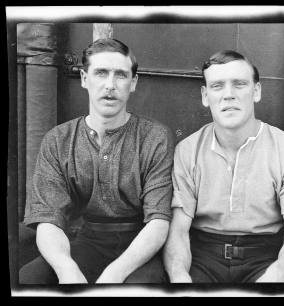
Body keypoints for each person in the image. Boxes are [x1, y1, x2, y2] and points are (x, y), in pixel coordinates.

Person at [19, 38, 174, 284]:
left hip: (139, 246)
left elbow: (158, 221)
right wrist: (66, 269)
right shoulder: (58, 139)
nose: (110, 85)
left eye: (120, 75)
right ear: (84, 78)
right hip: (86, 240)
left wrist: (114, 274)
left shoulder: (155, 137)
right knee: (29, 279)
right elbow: (48, 219)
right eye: (101, 73)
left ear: (133, 83)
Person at [164, 50, 284, 283]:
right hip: (202, 258)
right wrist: (179, 276)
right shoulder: (187, 150)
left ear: (256, 91)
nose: (229, 95)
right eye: (217, 86)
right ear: (206, 96)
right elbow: (178, 231)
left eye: (239, 84)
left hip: (266, 259)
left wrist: (279, 273)